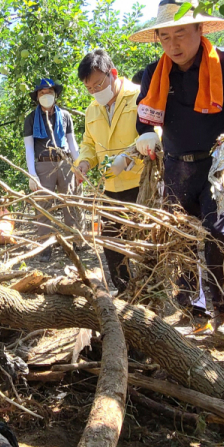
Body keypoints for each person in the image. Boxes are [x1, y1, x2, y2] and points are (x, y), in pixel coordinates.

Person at [130, 0, 224, 338]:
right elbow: (144, 119)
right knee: (179, 238)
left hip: (218, 164)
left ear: (200, 29)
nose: (172, 43)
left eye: (180, 33)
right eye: (164, 36)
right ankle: (194, 310)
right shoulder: (154, 74)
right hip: (176, 165)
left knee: (217, 234)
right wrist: (146, 134)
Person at [75, 49, 143, 291]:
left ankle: (152, 293)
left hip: (141, 185)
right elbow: (89, 144)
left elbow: (155, 136)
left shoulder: (139, 96)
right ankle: (125, 292)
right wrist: (84, 162)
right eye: (89, 88)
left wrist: (129, 157)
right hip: (111, 188)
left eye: (98, 84)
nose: (95, 92)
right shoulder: (92, 110)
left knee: (147, 243)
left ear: (112, 73)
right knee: (112, 243)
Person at [23, 77, 80, 259]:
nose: (46, 95)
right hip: (43, 164)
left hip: (65, 162)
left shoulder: (65, 116)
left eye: (49, 92)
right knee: (44, 207)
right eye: (42, 93)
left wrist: (78, 166)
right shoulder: (31, 119)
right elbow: (29, 148)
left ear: (55, 94)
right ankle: (44, 247)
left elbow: (72, 142)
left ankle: (74, 242)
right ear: (37, 96)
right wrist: (32, 174)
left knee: (70, 203)